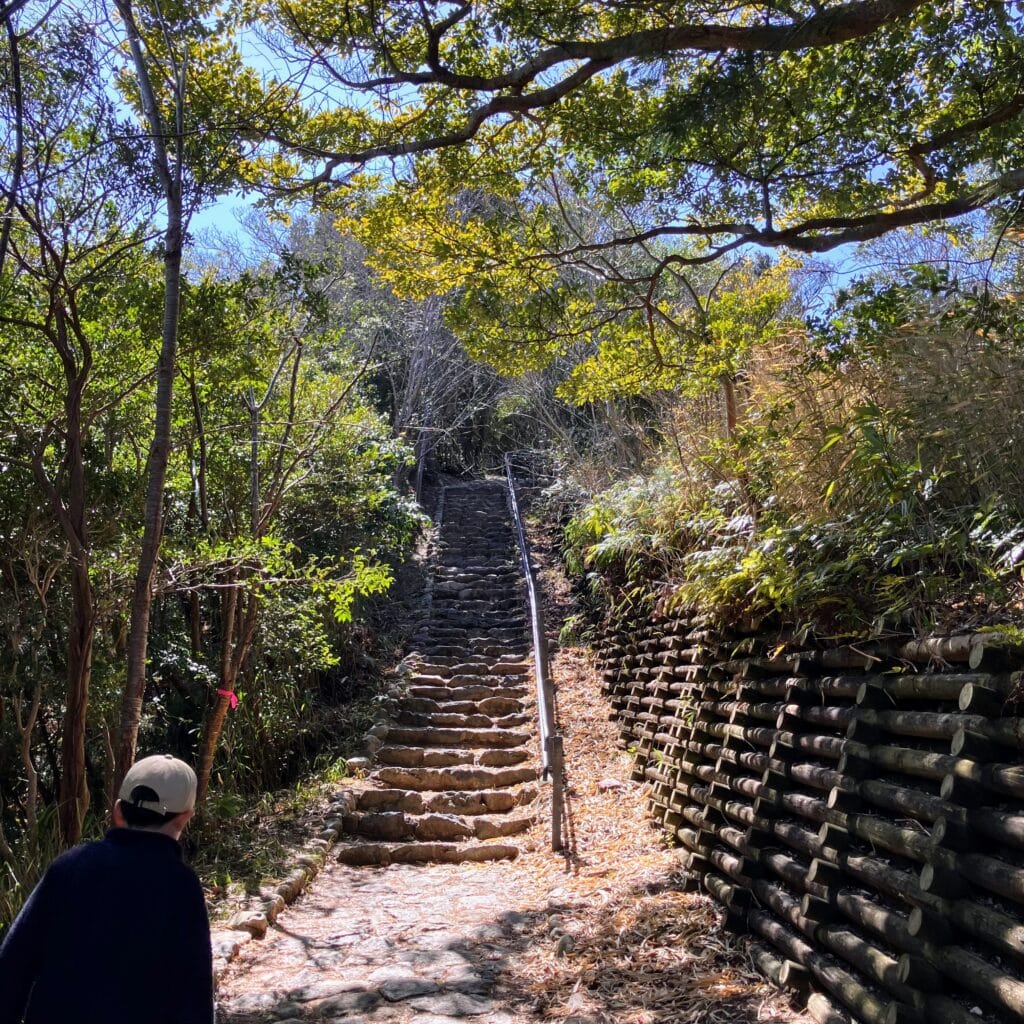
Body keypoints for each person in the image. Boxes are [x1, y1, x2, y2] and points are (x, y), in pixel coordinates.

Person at [0, 754, 214, 1024]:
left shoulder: (70, 865)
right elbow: (194, 990)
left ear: (117, 811)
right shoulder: (181, 885)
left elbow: (14, 961)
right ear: (185, 818)